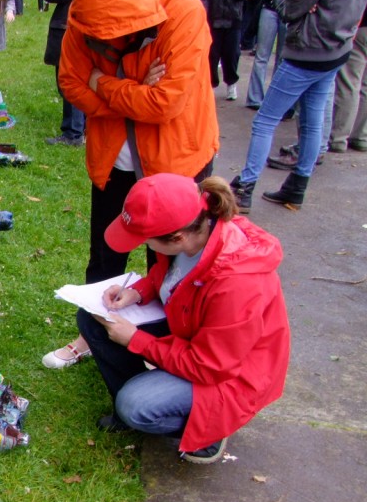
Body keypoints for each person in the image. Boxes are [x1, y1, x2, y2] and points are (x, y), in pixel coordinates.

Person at [45, 0, 218, 369]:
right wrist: (132, 91)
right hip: (114, 160)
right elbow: (71, 82)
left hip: (176, 162)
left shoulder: (183, 11)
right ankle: (94, 331)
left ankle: (168, 345)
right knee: (106, 250)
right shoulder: (85, 19)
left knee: (173, 258)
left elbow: (164, 104)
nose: (103, 45)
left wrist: (102, 82)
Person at [76, 173, 290, 464]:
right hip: (191, 327)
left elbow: (209, 366)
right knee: (94, 319)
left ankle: (207, 428)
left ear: (176, 237)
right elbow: (172, 277)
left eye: (145, 241)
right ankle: (151, 391)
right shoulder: (194, 233)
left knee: (135, 405)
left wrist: (136, 340)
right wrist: (138, 292)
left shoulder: (237, 285)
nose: (144, 246)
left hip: (229, 373)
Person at [230, 0, 367, 213]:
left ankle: (245, 187)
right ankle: (297, 185)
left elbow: (292, 4)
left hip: (310, 49)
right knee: (312, 120)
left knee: (266, 120)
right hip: (338, 46)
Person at [38, 0, 114, 148]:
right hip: (95, 18)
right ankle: (81, 126)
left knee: (71, 73)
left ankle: (73, 131)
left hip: (77, 20)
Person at [202, 0, 250, 100]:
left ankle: (231, 83)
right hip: (215, 21)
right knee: (212, 55)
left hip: (233, 22)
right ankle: (211, 83)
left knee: (231, 55)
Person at [329, 4, 367, 152]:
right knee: (364, 85)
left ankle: (338, 138)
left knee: (349, 82)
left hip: (361, 26)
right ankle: (361, 136)